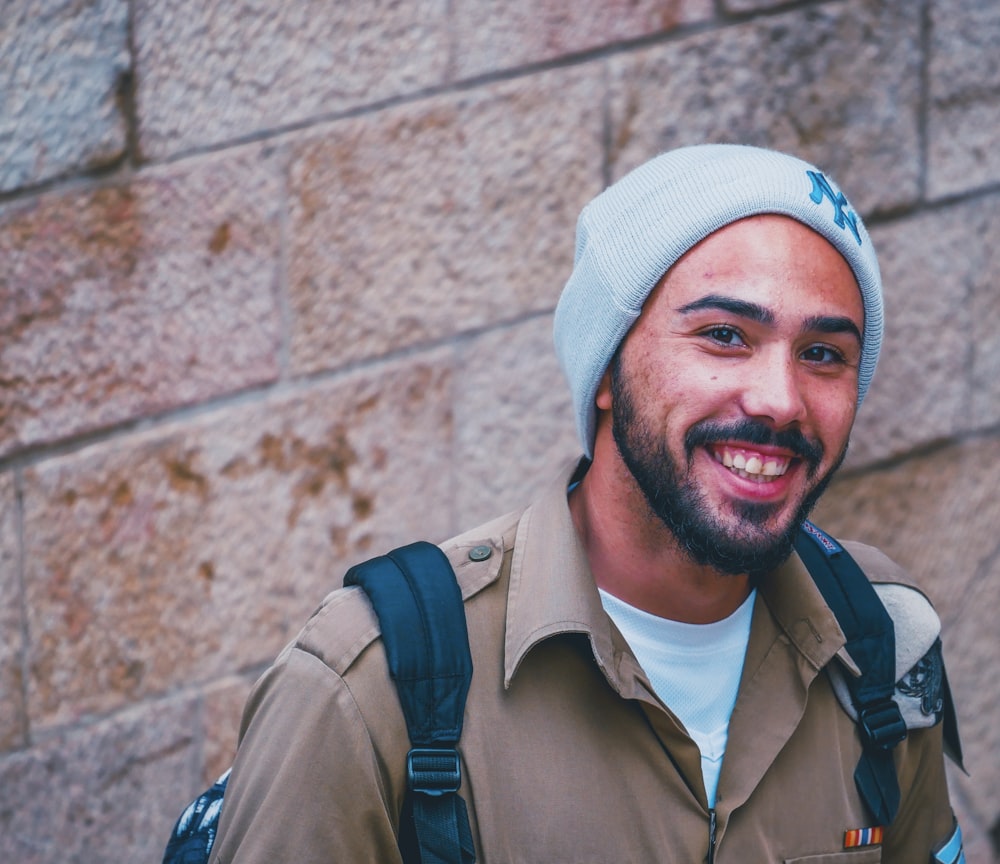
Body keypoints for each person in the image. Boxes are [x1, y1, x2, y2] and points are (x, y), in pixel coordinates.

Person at [208, 144, 964, 863]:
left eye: (824, 354)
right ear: (606, 370)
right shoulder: (369, 690)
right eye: (725, 335)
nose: (779, 399)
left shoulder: (879, 639)